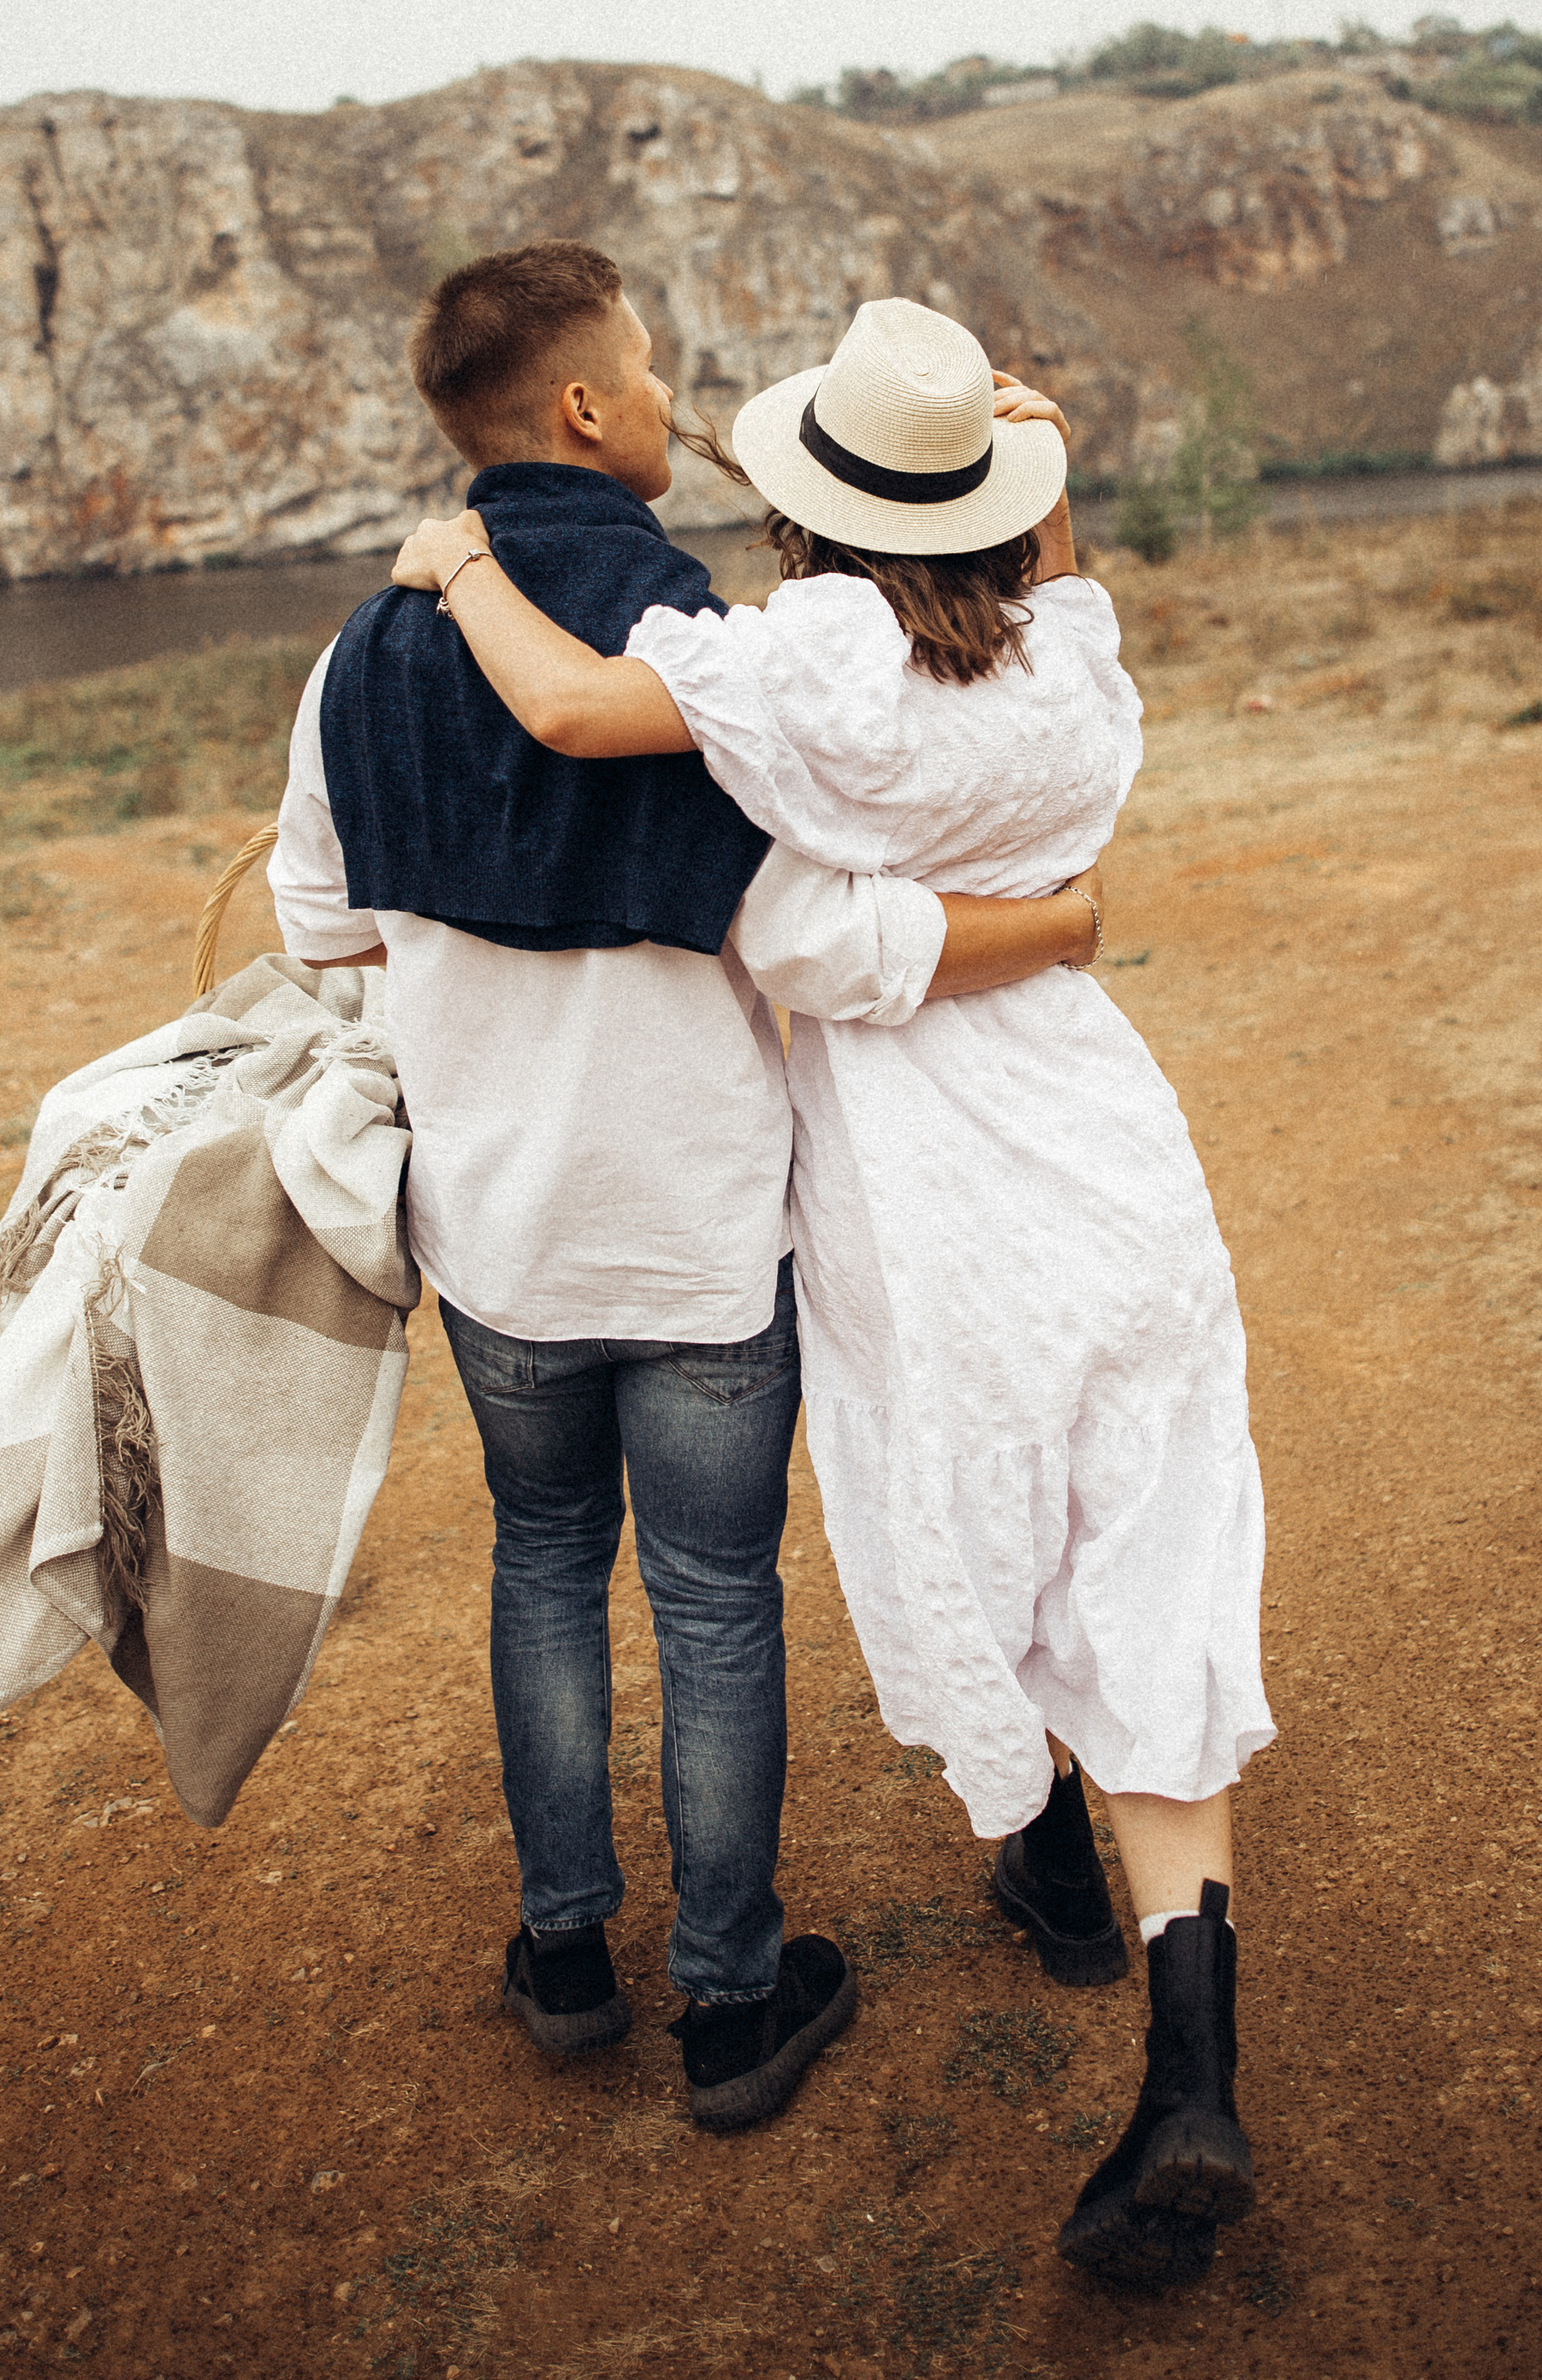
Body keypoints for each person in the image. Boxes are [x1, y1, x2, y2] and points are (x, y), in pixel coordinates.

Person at [389, 293, 1275, 2288]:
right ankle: (1180, 2054)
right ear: (999, 505)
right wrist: (1030, 511)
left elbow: (570, 712)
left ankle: (1040, 1842)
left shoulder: (808, 670)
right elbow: (1037, 597)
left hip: (916, 1191)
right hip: (1110, 1162)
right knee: (1136, 1554)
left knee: (966, 1530)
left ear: (807, 516)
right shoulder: (1070, 669)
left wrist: (457, 568)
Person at [268, 240, 1106, 2136]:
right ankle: (729, 2004)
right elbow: (819, 930)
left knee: (541, 1564)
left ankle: (565, 1954)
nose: (670, 400)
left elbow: (319, 927)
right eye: (646, 374)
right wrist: (1050, 917)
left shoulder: (368, 647)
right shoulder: (713, 661)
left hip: (493, 1227)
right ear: (581, 407)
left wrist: (477, 964)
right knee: (715, 1597)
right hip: (707, 1225)